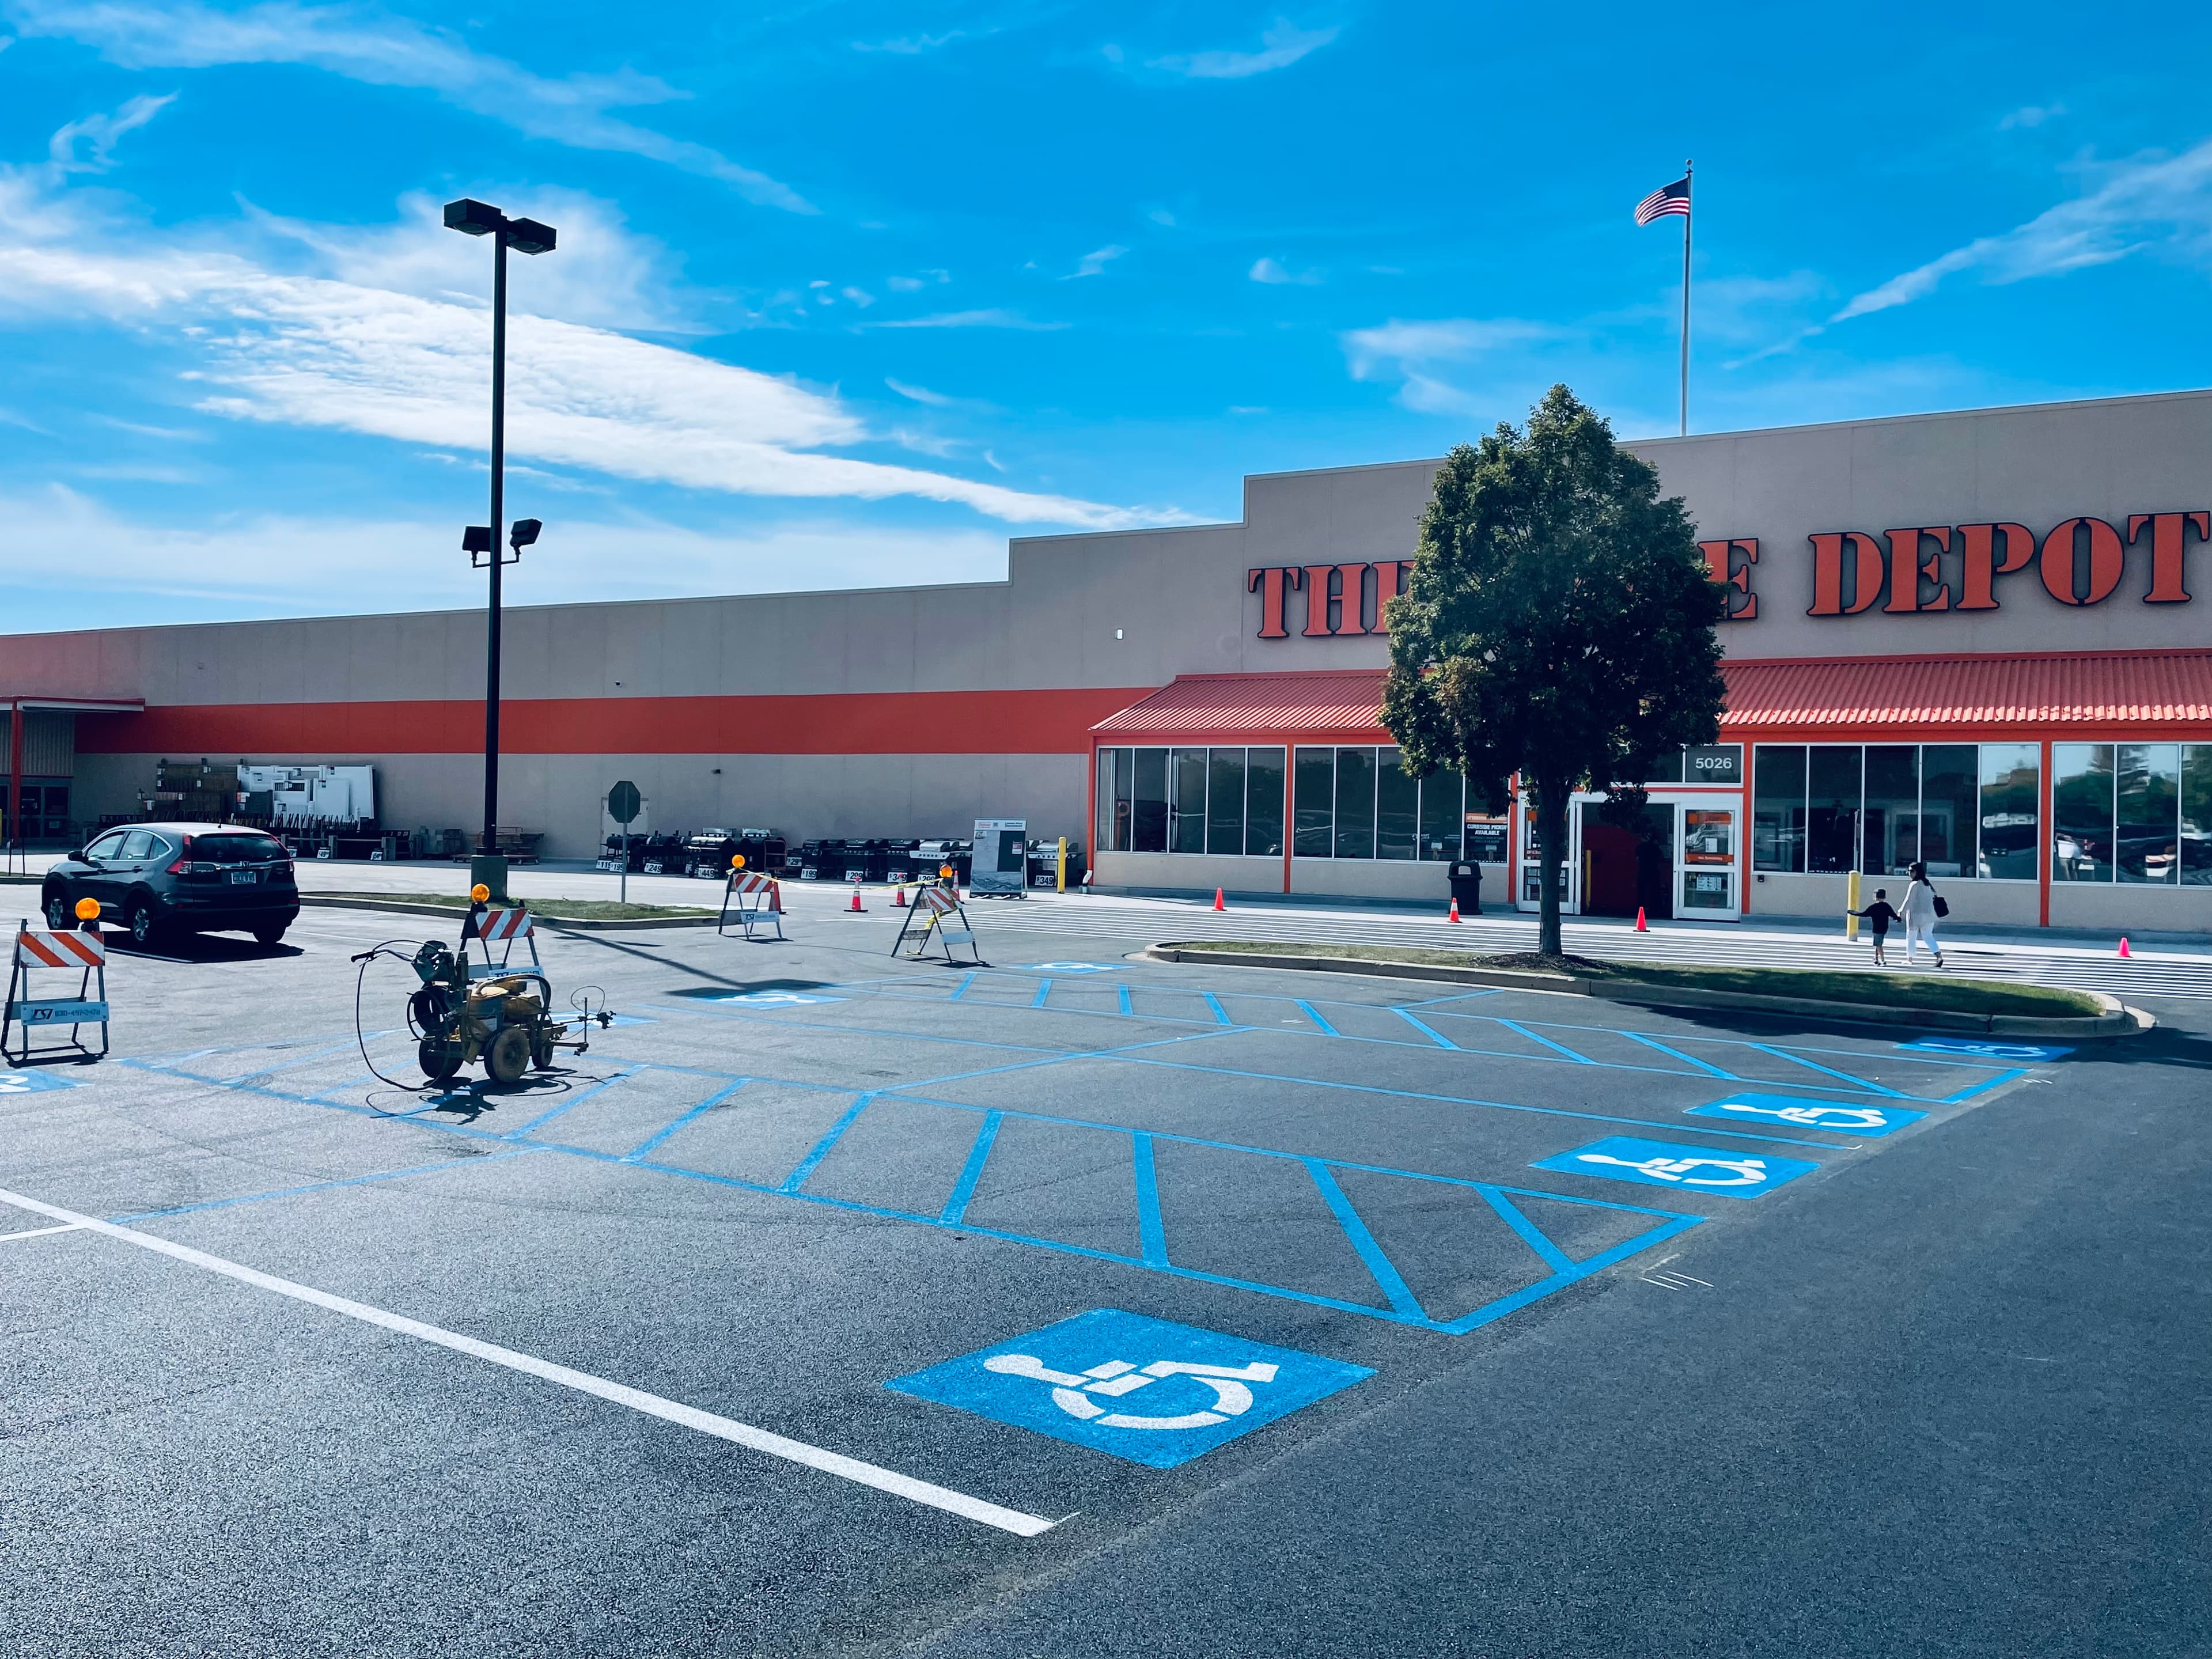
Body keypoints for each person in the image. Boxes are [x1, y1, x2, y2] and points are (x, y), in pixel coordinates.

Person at [1900, 861, 1945, 968]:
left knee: (1911, 935)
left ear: (1917, 872)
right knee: (1928, 936)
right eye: (1909, 871)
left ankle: (1910, 959)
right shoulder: (1927, 884)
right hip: (1929, 915)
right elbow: (1934, 896)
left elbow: (1909, 900)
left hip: (1915, 915)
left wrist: (1901, 911)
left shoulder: (1914, 884)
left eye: (1911, 871)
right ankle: (1938, 955)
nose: (1909, 873)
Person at [1847, 888, 1901, 967]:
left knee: (1878, 945)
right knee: (1878, 943)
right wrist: (1898, 919)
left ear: (1876, 897)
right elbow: (1894, 915)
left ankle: (1883, 960)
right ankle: (1876, 959)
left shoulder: (1874, 907)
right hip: (1884, 928)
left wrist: (1853, 913)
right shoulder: (1887, 906)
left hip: (1877, 928)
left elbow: (1864, 914)